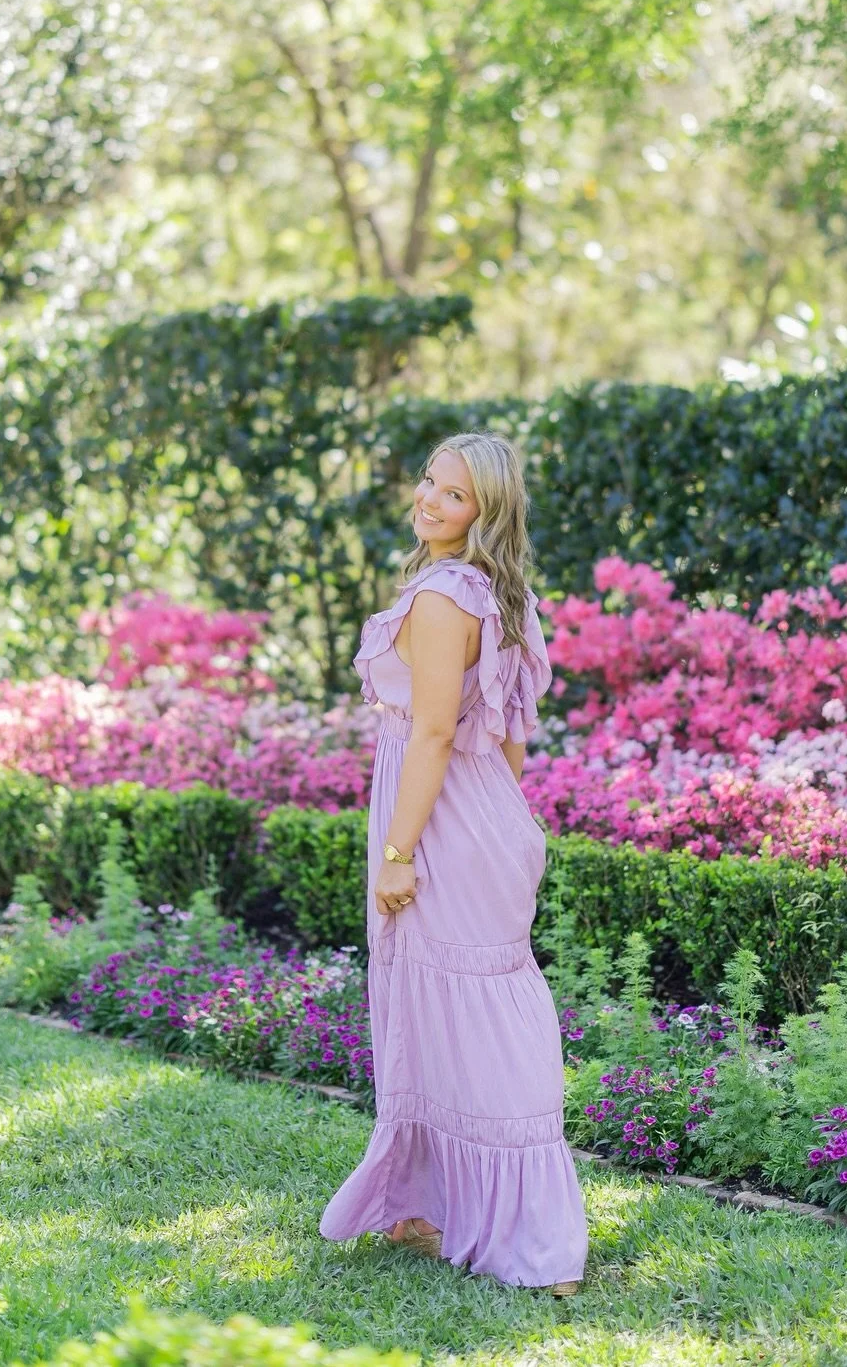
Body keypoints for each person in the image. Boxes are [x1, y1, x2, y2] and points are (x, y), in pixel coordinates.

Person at [319, 432, 588, 1293]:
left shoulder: (443, 596)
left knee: (469, 1010)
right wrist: (495, 827)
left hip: (435, 819)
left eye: (455, 494)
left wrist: (400, 852)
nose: (431, 501)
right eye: (431, 482)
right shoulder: (501, 593)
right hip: (481, 814)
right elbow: (508, 740)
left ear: (487, 511)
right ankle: (432, 1210)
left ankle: (538, 1245)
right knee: (459, 1007)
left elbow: (434, 731)